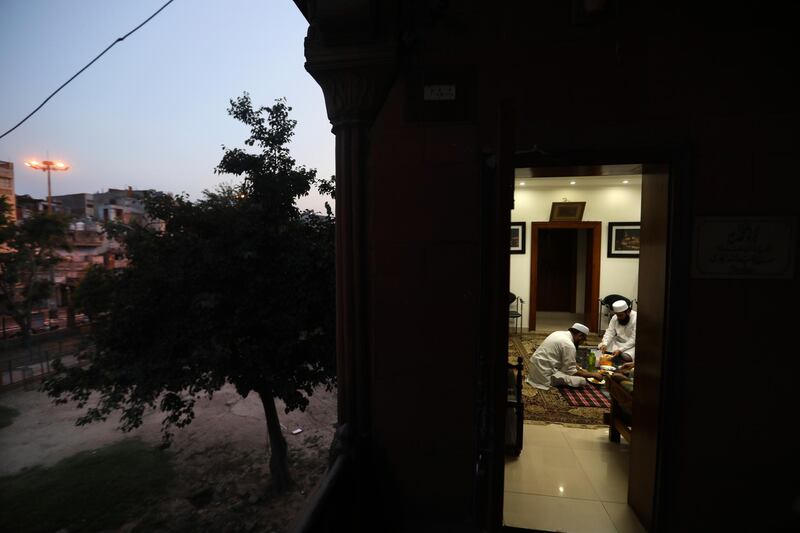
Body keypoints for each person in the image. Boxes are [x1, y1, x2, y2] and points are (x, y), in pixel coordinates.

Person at [526, 323, 603, 390]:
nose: (582, 343)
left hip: (535, 368)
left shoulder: (559, 333)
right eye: (583, 340)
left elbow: (562, 358)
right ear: (580, 336)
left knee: (575, 372)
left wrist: (578, 368)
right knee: (581, 381)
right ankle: (552, 380)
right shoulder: (569, 345)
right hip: (544, 375)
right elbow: (571, 372)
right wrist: (593, 374)